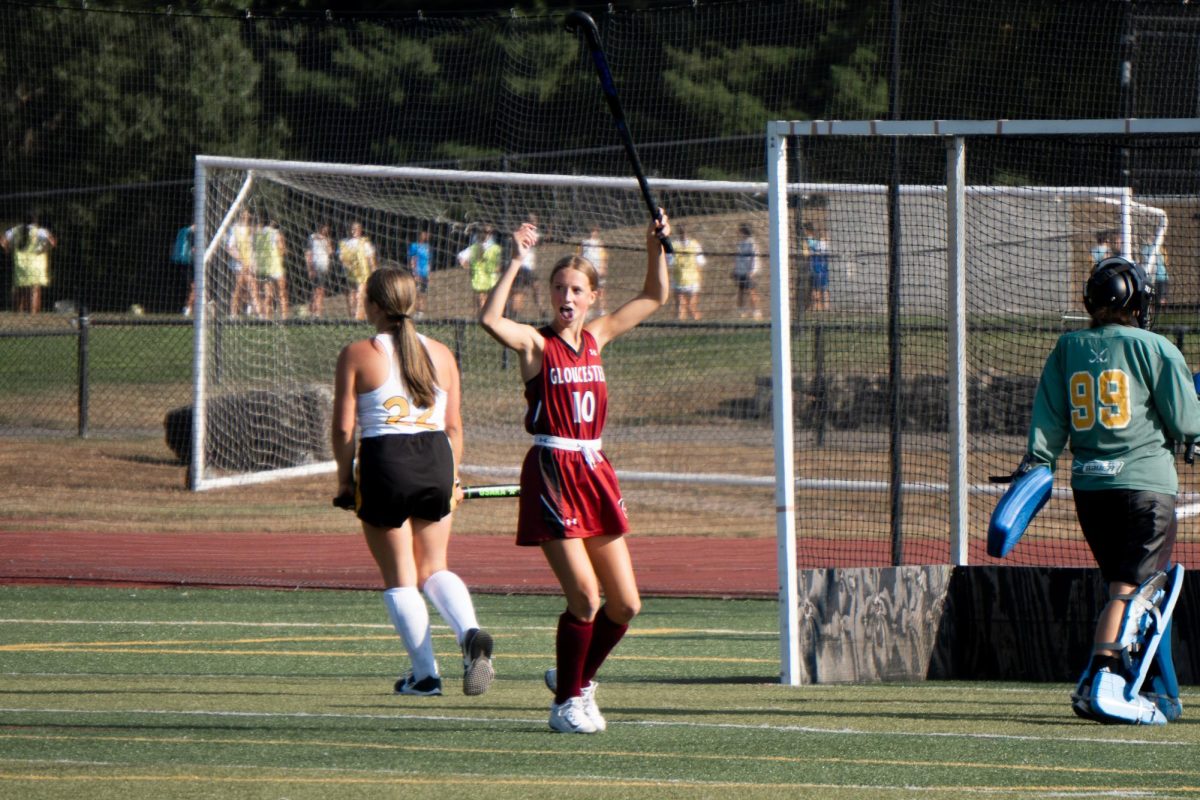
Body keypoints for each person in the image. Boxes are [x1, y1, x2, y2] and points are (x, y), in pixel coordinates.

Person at [478, 211, 671, 734]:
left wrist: (656, 245)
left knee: (626, 603)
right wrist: (515, 262)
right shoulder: (537, 345)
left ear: (592, 297)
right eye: (559, 287)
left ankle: (576, 678)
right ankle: (566, 703)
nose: (567, 296)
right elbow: (491, 321)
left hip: (594, 469)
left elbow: (656, 296)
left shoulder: (598, 337)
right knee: (585, 597)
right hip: (552, 470)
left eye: (577, 289)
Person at [1023, 256, 1199, 724]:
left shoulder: (1067, 348)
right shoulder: (1156, 348)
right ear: (1136, 300)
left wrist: (1037, 461)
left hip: (1091, 491)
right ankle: (1102, 677)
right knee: (1131, 591)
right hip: (1145, 487)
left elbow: (1048, 421)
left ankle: (1161, 692)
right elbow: (1186, 421)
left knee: (1132, 591)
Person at [331, 266, 495, 699]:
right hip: (436, 459)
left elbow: (344, 431)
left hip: (386, 461)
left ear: (374, 306)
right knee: (434, 567)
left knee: (402, 577)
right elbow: (455, 428)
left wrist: (345, 482)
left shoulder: (357, 353)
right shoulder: (441, 353)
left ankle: (425, 676)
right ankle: (470, 632)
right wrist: (453, 479)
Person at [3, 212, 56, 314]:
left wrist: (8, 250)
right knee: (35, 290)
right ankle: (32, 314)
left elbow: (3, 241)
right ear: (35, 221)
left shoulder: (15, 230)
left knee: (20, 288)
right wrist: (44, 249)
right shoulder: (40, 231)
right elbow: (52, 242)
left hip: (20, 264)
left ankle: (18, 313)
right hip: (37, 264)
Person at [339, 221, 377, 319]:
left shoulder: (365, 242)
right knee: (351, 293)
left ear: (360, 230)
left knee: (360, 294)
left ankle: (359, 316)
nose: (353, 231)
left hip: (363, 273)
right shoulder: (344, 242)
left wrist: (374, 271)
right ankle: (352, 314)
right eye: (352, 229)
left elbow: (371, 258)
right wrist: (346, 265)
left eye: (355, 229)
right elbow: (341, 257)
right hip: (350, 272)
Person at [226, 208, 259, 317]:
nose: (246, 216)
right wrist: (241, 260)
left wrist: (253, 262)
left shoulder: (252, 230)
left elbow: (254, 248)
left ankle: (255, 311)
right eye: (244, 213)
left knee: (252, 286)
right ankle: (233, 312)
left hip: (250, 262)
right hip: (238, 263)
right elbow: (230, 248)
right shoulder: (234, 229)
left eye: (248, 213)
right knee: (239, 286)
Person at [460, 224, 502, 311]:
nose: (487, 234)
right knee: (482, 302)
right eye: (485, 232)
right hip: (479, 280)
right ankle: (481, 320)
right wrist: (471, 268)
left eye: (489, 232)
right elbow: (462, 259)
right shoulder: (473, 248)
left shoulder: (496, 248)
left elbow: (499, 265)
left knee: (492, 303)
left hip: (492, 279)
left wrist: (496, 270)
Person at [510, 214, 542, 318]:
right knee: (520, 291)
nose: (534, 222)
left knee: (536, 287)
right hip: (522, 266)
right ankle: (514, 315)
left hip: (529, 268)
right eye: (531, 220)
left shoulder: (534, 233)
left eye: (535, 220)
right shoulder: (524, 232)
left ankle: (541, 310)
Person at [670, 223, 704, 321]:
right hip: (679, 280)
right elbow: (670, 262)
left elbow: (700, 263)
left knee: (690, 308)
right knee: (681, 308)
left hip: (692, 281)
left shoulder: (694, 244)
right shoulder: (674, 245)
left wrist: (699, 279)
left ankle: (698, 324)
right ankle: (680, 329)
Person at [255, 218, 288, 319]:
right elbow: (281, 249)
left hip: (264, 267)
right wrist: (285, 250)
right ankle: (284, 318)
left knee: (267, 295)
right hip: (276, 266)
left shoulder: (259, 234)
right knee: (282, 293)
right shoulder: (276, 233)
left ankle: (266, 318)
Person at [732, 223, 762, 320]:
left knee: (751, 291)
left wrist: (752, 271)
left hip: (748, 272)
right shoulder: (741, 244)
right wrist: (735, 270)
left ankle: (756, 312)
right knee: (740, 292)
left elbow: (755, 258)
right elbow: (737, 258)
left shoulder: (751, 243)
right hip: (740, 272)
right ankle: (741, 311)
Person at [578, 225, 608, 317]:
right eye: (591, 231)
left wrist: (603, 267)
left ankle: (601, 309)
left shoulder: (599, 243)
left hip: (597, 269)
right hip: (587, 269)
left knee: (600, 290)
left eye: (594, 231)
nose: (592, 233)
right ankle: (586, 309)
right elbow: (580, 255)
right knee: (587, 290)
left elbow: (603, 256)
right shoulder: (583, 242)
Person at [306, 223, 334, 317]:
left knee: (320, 289)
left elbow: (330, 252)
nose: (326, 229)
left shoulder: (327, 239)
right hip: (315, 265)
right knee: (316, 289)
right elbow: (308, 252)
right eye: (324, 227)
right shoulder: (312, 237)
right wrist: (309, 268)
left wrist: (328, 242)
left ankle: (317, 311)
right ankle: (314, 311)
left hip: (324, 266)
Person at [805, 223, 830, 311]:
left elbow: (809, 242)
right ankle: (822, 308)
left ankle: (819, 307)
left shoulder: (815, 244)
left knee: (817, 289)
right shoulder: (819, 244)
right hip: (821, 269)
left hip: (818, 269)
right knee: (821, 289)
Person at [172, 223, 196, 317]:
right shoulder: (188, 232)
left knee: (194, 287)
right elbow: (193, 249)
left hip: (185, 262)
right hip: (187, 263)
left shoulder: (182, 231)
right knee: (194, 287)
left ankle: (189, 308)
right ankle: (188, 308)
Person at [407, 229, 432, 316]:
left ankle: (422, 311)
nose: (426, 236)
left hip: (425, 273)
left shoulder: (428, 247)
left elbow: (429, 261)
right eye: (424, 234)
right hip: (417, 272)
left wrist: (429, 273)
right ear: (420, 235)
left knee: (424, 292)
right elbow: (412, 260)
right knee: (416, 291)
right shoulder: (414, 246)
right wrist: (414, 273)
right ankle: (416, 309)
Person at [1140, 236, 1169, 314]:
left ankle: (1160, 311)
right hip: (1156, 277)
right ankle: (1157, 311)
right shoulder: (1153, 249)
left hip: (1160, 277)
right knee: (1158, 297)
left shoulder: (1160, 249)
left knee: (1160, 297)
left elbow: (1165, 262)